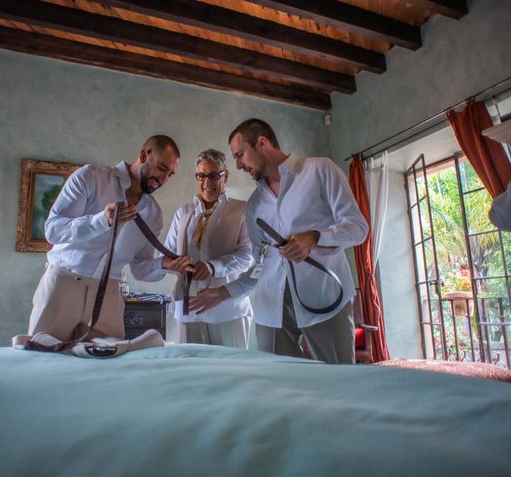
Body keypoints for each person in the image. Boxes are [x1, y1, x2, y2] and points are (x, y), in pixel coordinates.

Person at [189, 119, 368, 364]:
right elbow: (259, 265)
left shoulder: (320, 171)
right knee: (279, 388)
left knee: (339, 382)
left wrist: (315, 237)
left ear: (262, 142)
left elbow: (358, 228)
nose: (239, 165)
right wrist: (224, 292)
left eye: (240, 155)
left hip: (326, 298)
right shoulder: (254, 206)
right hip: (271, 310)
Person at [27, 135, 183, 342]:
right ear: (144, 155)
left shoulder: (154, 214)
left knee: (108, 366)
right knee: (42, 358)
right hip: (63, 285)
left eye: (170, 175)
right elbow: (53, 230)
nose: (163, 180)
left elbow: (140, 269)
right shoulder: (90, 177)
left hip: (109, 294)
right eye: (162, 169)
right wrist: (100, 221)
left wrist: (163, 264)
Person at [147, 149, 254, 348]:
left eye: (214, 175)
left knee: (233, 372)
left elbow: (248, 256)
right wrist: (173, 264)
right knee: (192, 372)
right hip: (189, 309)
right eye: (201, 176)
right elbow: (167, 254)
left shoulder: (242, 210)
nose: (207, 182)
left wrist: (213, 267)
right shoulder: (184, 213)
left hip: (227, 309)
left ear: (226, 176)